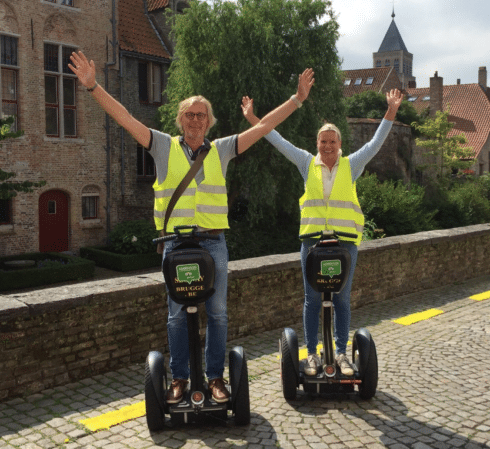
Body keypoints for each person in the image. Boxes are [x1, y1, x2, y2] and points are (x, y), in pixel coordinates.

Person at [68, 51, 315, 403]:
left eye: (201, 115)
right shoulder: (162, 145)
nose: (195, 120)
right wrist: (93, 87)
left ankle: (215, 378)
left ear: (208, 121)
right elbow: (125, 118)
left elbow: (262, 128)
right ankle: (180, 378)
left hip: (213, 243)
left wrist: (297, 99)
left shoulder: (222, 149)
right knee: (175, 315)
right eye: (189, 114)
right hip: (175, 243)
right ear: (181, 119)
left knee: (218, 313)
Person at [242, 88, 403, 376]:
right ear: (317, 143)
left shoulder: (351, 165)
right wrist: (254, 119)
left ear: (340, 144)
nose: (327, 146)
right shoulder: (307, 163)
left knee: (341, 298)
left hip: (345, 243)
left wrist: (391, 111)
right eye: (323, 141)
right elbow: (277, 140)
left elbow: (375, 143)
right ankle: (312, 354)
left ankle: (340, 353)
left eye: (332, 141)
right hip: (313, 242)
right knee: (312, 299)